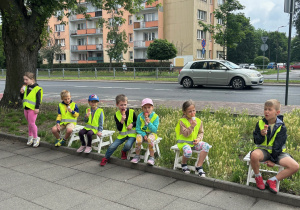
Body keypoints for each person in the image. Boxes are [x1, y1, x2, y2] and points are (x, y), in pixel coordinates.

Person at [251, 99, 299, 194]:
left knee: (295, 166)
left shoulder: (281, 126)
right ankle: (258, 177)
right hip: (263, 151)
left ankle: (272, 180)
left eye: (270, 109)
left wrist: (273, 160)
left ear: (277, 112)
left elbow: (278, 145)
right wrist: (261, 135)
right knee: (254, 155)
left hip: (277, 153)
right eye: (265, 109)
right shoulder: (260, 123)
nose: (266, 111)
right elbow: (256, 141)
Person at [175, 100, 211, 176]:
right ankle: (183, 163)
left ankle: (199, 166)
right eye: (189, 112)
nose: (192, 113)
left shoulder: (198, 121)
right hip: (184, 143)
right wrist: (192, 126)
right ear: (184, 112)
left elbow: (201, 132)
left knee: (206, 146)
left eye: (194, 110)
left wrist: (198, 139)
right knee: (188, 152)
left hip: (194, 143)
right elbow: (185, 134)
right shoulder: (182, 121)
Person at [100, 94, 137, 166]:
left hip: (132, 134)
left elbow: (137, 122)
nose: (123, 107)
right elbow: (119, 128)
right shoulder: (116, 115)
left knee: (128, 145)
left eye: (125, 105)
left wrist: (132, 124)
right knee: (112, 146)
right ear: (117, 105)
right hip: (122, 135)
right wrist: (122, 121)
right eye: (121, 105)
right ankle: (106, 158)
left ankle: (123, 151)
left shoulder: (132, 112)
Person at [130, 98, 159, 166]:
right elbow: (138, 128)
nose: (147, 109)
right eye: (145, 107)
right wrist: (143, 134)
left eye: (149, 107)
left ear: (152, 108)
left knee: (150, 139)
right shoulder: (140, 116)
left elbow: (154, 129)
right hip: (142, 133)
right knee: (138, 139)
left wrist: (149, 122)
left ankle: (152, 157)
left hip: (152, 133)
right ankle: (137, 156)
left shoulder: (155, 117)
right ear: (142, 108)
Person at [20, 72, 43, 147]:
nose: (25, 81)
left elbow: (38, 100)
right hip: (26, 108)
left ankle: (36, 138)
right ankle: (30, 137)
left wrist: (37, 108)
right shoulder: (25, 87)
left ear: (32, 79)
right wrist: (21, 93)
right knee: (29, 123)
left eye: (26, 79)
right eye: (24, 79)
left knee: (32, 123)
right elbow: (22, 97)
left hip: (32, 109)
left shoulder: (37, 89)